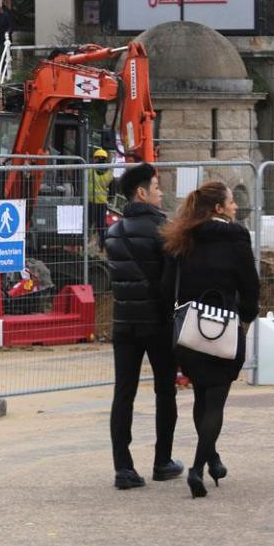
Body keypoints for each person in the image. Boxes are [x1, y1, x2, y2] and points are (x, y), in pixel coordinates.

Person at [160, 181, 259, 499]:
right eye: (230, 202)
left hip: (188, 331)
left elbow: (166, 286)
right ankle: (197, 468)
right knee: (215, 402)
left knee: (202, 396)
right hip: (223, 329)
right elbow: (249, 284)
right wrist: (246, 314)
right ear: (218, 208)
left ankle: (212, 458)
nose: (234, 207)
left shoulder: (182, 234)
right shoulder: (237, 236)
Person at [105, 162, 183, 490]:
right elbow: (171, 283)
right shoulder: (165, 229)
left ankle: (123, 468)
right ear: (141, 193)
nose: (161, 192)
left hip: (124, 323)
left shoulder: (113, 232)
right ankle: (162, 461)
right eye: (156, 187)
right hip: (158, 323)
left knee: (124, 393)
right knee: (165, 391)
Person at [87, 148, 113, 250]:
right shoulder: (110, 173)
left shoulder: (89, 169)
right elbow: (113, 190)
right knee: (101, 226)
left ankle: (84, 245)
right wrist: (108, 199)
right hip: (102, 203)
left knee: (88, 225)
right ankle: (102, 247)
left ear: (95, 159)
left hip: (90, 202)